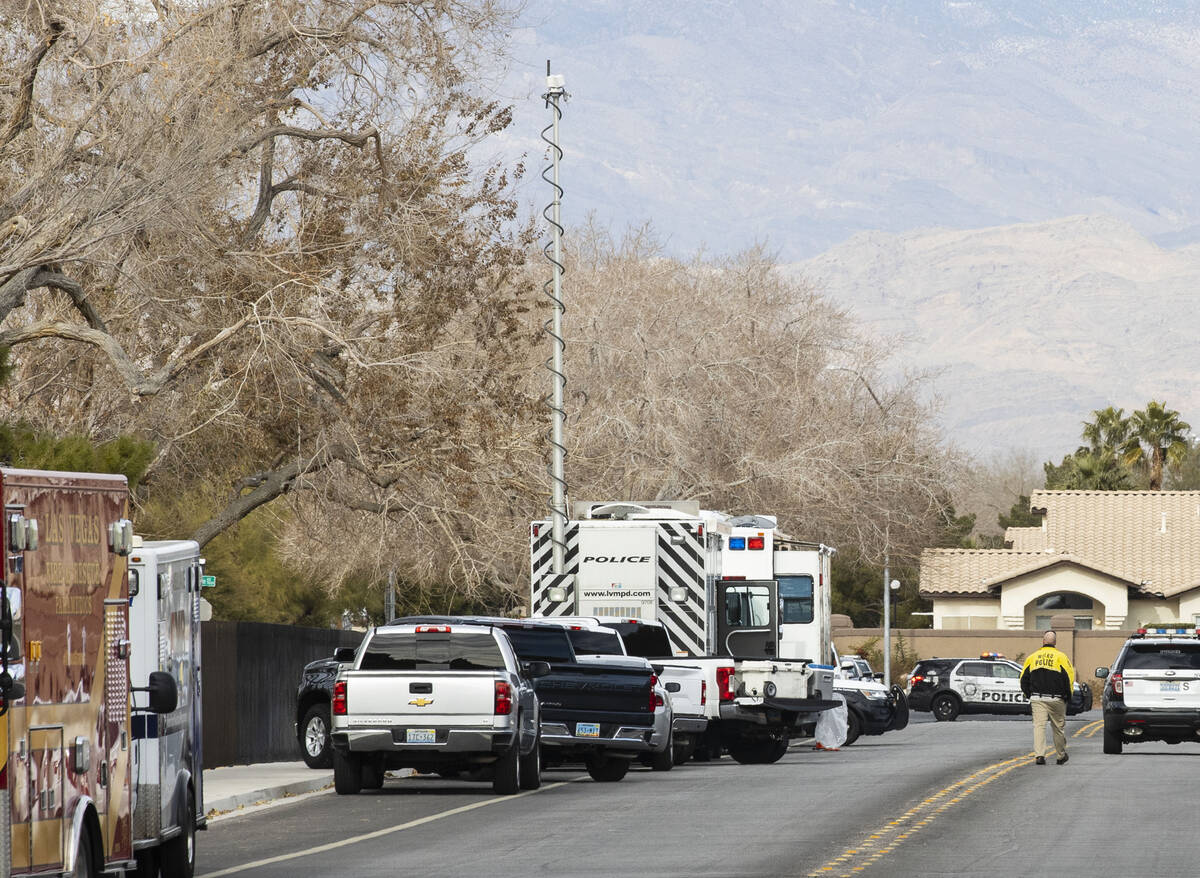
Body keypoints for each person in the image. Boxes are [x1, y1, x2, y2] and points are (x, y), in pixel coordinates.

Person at [1020, 630, 1075, 765]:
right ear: (1055, 642)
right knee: (1058, 728)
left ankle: (1039, 755)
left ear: (1043, 641)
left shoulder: (1032, 657)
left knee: (1039, 727)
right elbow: (1069, 678)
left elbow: (1023, 679)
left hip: (1037, 698)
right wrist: (1068, 696)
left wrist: (1029, 694)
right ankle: (1061, 755)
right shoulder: (1061, 657)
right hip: (1056, 698)